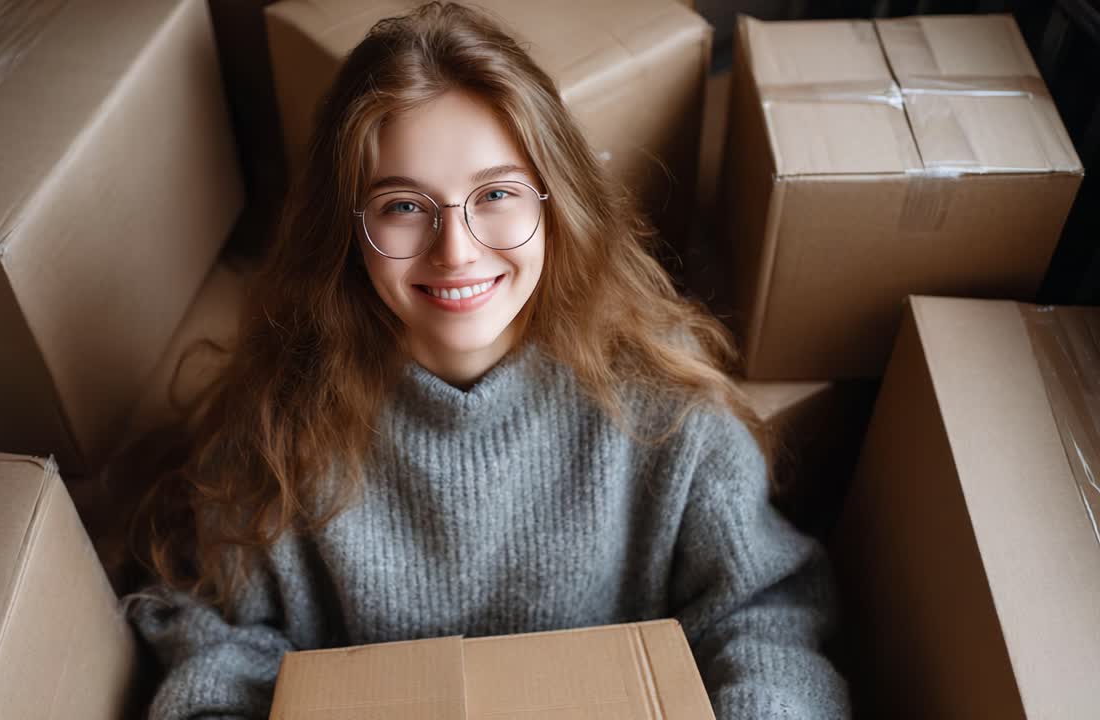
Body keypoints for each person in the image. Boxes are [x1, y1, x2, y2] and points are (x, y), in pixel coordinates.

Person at [122, 3, 851, 718]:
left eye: (495, 194)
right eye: (404, 206)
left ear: (554, 199)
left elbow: (762, 608)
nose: (457, 249)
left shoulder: (663, 402)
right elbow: (217, 635)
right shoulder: (282, 419)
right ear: (344, 230)